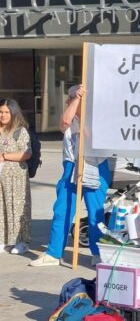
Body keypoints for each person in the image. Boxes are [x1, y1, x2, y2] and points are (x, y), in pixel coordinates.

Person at [30, 85, 112, 267]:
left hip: (96, 166)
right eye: (69, 98)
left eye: (72, 98)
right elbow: (64, 122)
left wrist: (84, 115)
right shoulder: (70, 114)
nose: (68, 101)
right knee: (63, 210)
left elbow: (93, 139)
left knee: (95, 213)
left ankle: (98, 253)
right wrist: (76, 99)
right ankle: (53, 253)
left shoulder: (98, 119)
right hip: (71, 166)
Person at [0, 99, 32, 255]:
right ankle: (3, 240)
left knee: (18, 209)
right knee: (1, 208)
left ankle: (21, 241)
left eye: (6, 112)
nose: (3, 115)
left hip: (17, 178)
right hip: (0, 178)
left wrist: (5, 156)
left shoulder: (20, 131)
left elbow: (26, 153)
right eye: (0, 112)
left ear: (13, 113)